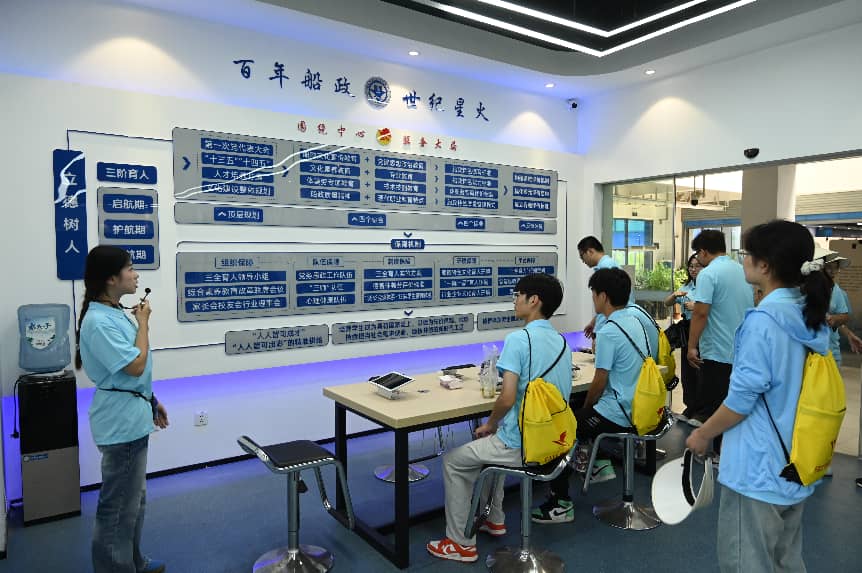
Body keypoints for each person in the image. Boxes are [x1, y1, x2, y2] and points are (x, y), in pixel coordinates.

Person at [686, 219, 831, 573]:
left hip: (757, 468)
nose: (743, 259)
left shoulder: (763, 321)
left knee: (746, 562)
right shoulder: (808, 316)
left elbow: (741, 401)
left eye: (747, 254)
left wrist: (703, 433)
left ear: (765, 265)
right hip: (795, 460)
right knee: (785, 560)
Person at [427, 273, 571, 562]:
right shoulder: (561, 341)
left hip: (522, 444)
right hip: (555, 441)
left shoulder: (519, 339)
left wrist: (491, 423)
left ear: (534, 300)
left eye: (518, 295)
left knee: (454, 461)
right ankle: (494, 518)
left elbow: (506, 397)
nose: (514, 301)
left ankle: (460, 544)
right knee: (489, 451)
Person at [532, 268, 657, 523]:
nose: (592, 300)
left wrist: (587, 409)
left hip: (620, 411)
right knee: (579, 408)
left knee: (561, 427)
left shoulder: (609, 331)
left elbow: (599, 381)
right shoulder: (635, 320)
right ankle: (597, 462)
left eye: (593, 294)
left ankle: (560, 503)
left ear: (603, 296)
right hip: (642, 405)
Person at [75, 245, 168, 573]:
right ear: (111, 278)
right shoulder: (99, 322)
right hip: (120, 425)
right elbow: (135, 365)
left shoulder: (113, 312)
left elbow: (132, 374)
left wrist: (152, 400)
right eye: (130, 268)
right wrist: (143, 323)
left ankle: (133, 562)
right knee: (117, 509)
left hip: (133, 416)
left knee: (134, 502)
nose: (136, 274)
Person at [686, 230, 753, 445]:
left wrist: (691, 346)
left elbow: (700, 313)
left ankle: (717, 453)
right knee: (733, 404)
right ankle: (728, 451)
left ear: (704, 252)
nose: (698, 258)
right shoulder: (742, 270)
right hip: (740, 350)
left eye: (698, 253)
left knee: (715, 407)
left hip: (717, 351)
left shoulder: (708, 274)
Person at [664, 253, 703, 419]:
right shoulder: (687, 286)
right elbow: (667, 302)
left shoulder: (707, 286)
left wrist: (696, 306)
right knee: (687, 372)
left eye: (697, 266)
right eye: (691, 266)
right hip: (687, 332)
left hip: (703, 333)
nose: (693, 269)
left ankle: (700, 410)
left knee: (700, 370)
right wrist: (675, 296)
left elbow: (713, 309)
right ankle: (690, 407)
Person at [578, 236, 635, 340]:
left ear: (590, 251)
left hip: (611, 325)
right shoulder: (609, 264)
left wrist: (597, 333)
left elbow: (608, 305)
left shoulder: (605, 270)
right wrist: (593, 322)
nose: (582, 260)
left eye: (582, 256)